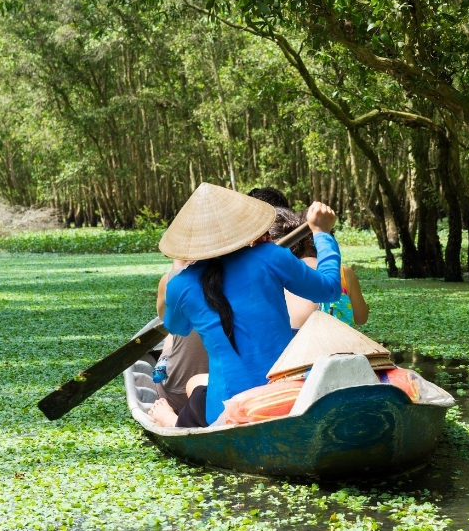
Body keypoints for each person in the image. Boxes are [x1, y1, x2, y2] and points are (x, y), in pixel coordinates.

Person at [147, 183, 342, 428]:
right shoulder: (270, 256)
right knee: (200, 389)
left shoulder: (179, 285)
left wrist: (177, 281)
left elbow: (178, 328)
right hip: (284, 397)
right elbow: (330, 288)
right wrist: (322, 233)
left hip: (226, 409)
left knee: (197, 394)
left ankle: (172, 422)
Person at [271, 207, 370, 328]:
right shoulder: (344, 273)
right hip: (339, 344)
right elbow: (361, 318)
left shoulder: (282, 272)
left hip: (293, 344)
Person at [152, 261, 209, 412]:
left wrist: (178, 265)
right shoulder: (245, 278)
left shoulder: (170, 280)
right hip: (232, 387)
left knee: (173, 330)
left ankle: (162, 363)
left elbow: (164, 317)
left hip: (178, 394)